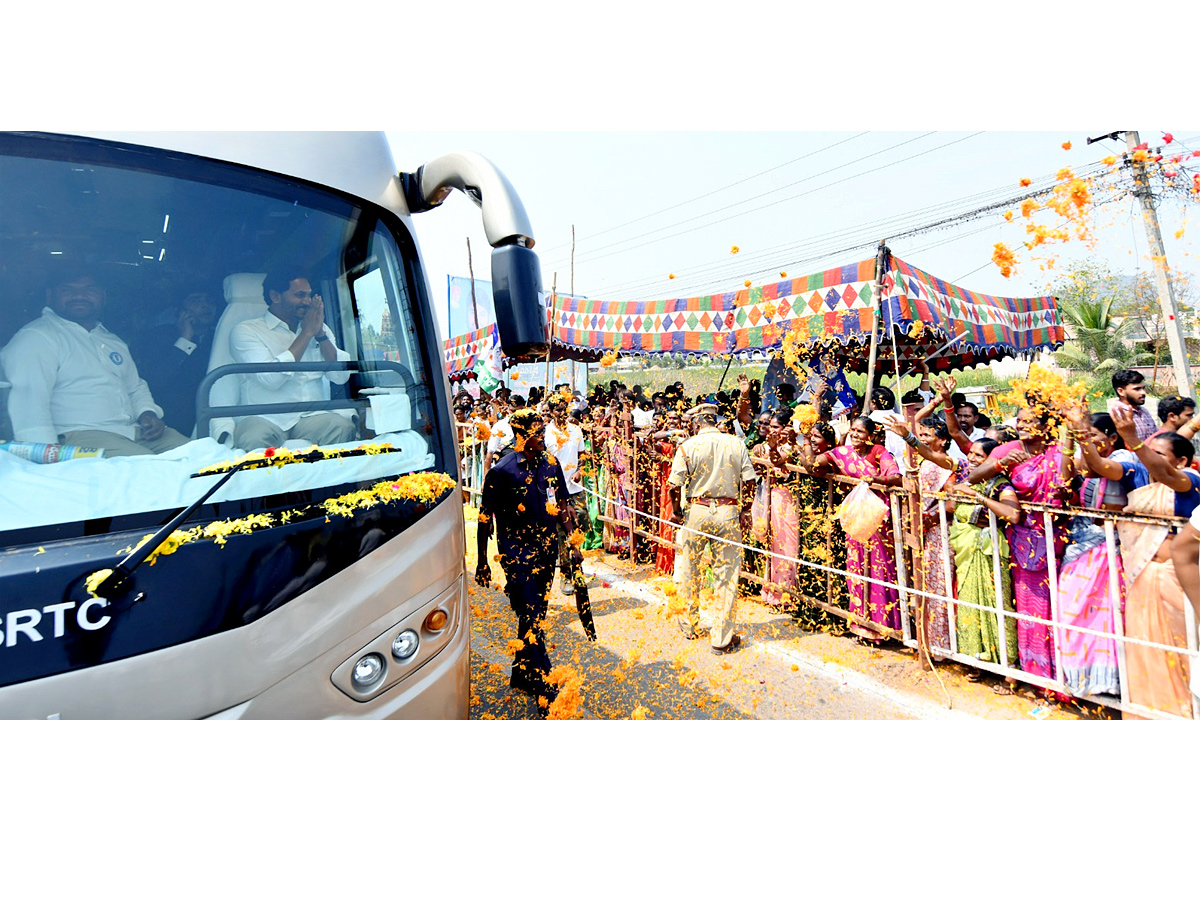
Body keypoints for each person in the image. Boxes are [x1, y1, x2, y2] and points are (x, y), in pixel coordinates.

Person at [1, 269, 190, 456]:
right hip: (79, 435)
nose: (79, 296)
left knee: (206, 457)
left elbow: (135, 386)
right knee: (150, 469)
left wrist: (147, 413)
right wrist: (43, 457)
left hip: (133, 432)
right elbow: (28, 402)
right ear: (50, 296)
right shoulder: (37, 338)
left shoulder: (111, 340)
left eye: (89, 290)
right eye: (68, 290)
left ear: (103, 296)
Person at [477, 407, 583, 714]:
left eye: (543, 432)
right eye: (538, 433)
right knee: (533, 618)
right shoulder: (503, 469)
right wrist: (482, 562)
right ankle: (545, 688)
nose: (544, 438)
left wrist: (573, 543)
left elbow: (562, 504)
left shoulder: (550, 463)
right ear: (521, 434)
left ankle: (521, 672)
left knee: (533, 614)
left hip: (547, 552)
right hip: (517, 555)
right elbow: (486, 518)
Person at [968, 405, 1071, 684]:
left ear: (1046, 425)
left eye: (1030, 421)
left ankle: (1057, 676)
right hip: (1021, 540)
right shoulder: (1010, 449)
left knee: (1054, 605)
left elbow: (1066, 485)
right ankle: (1033, 672)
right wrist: (1001, 463)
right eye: (1020, 421)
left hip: (1054, 537)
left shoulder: (1059, 452)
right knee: (1026, 606)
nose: (1023, 426)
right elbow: (972, 478)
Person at [1111, 407, 1200, 719]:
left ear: (1182, 462)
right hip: (1144, 573)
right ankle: (1148, 714)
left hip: (1178, 579)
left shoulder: (1189, 480)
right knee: (1145, 647)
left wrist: (1133, 439)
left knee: (1182, 646)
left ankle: (1185, 713)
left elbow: (1165, 473)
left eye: (1158, 453)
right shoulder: (1146, 487)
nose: (1150, 458)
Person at [1056, 408, 1146, 697]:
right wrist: (1071, 434)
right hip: (1082, 547)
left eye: (1094, 435)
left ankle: (1110, 684)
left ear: (1111, 437)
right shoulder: (1089, 454)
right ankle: (1082, 680)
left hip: (1111, 549)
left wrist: (1080, 432)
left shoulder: (1124, 459)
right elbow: (1067, 474)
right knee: (1073, 612)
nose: (1090, 441)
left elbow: (1098, 467)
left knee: (1105, 616)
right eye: (1088, 435)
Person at [229, 267, 356, 450]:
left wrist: (319, 334)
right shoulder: (246, 330)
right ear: (275, 296)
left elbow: (340, 377)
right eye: (300, 295)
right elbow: (272, 380)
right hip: (264, 417)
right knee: (253, 439)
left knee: (342, 428)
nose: (307, 302)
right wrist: (307, 333)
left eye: (309, 296)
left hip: (309, 416)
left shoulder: (319, 328)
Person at [802, 416, 903, 644]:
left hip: (877, 519)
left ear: (871, 435)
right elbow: (811, 465)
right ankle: (861, 625)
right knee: (857, 567)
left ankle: (884, 628)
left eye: (860, 431)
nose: (856, 434)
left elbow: (895, 476)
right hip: (856, 519)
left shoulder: (878, 451)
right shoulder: (841, 453)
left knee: (879, 569)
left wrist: (875, 479)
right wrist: (808, 439)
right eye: (853, 430)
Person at [668, 402, 757, 654]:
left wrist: (676, 512)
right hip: (728, 512)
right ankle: (720, 638)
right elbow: (749, 481)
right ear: (714, 421)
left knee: (690, 569)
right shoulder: (736, 443)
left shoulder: (687, 446)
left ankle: (689, 625)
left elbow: (674, 486)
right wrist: (746, 509)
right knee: (726, 575)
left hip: (696, 510)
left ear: (697, 424)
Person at [944, 439, 1022, 678]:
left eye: (979, 456)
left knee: (996, 602)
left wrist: (979, 499)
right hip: (966, 550)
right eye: (971, 454)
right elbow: (949, 506)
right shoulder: (968, 480)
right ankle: (974, 659)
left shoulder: (1000, 485)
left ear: (991, 460)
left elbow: (1013, 514)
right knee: (968, 601)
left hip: (988, 552)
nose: (972, 459)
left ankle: (1007, 667)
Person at [134, 287, 218, 437]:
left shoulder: (220, 336)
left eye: (210, 301)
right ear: (180, 309)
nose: (205, 305)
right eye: (196, 300)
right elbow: (155, 380)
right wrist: (185, 339)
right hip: (169, 414)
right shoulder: (159, 335)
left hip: (211, 409)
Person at [545, 393, 586, 595]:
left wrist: (579, 470)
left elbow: (582, 455)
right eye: (558, 410)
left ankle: (577, 565)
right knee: (563, 531)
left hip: (575, 487)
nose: (562, 413)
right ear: (551, 412)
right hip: (556, 489)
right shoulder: (547, 432)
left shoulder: (576, 429)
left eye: (564, 409)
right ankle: (566, 576)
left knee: (580, 525)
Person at [761, 407, 801, 609]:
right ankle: (772, 589)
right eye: (770, 426)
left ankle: (786, 593)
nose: (771, 430)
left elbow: (779, 462)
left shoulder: (793, 447)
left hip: (788, 500)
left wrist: (773, 449)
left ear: (786, 429)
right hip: (773, 497)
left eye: (776, 427)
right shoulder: (769, 445)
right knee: (773, 543)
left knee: (787, 545)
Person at [1108, 369, 1157, 444]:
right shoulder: (1116, 416)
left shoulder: (1144, 411)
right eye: (1137, 389)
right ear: (1121, 391)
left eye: (1143, 388)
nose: (1143, 393)